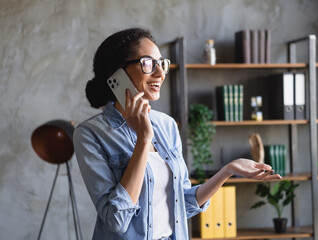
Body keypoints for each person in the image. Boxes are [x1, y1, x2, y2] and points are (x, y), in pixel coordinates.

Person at [73, 27, 281, 240]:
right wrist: (143, 140)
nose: (160, 73)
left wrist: (227, 170)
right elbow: (116, 220)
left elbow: (183, 204)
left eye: (161, 63)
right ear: (118, 74)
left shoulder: (166, 125)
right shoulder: (90, 134)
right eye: (148, 63)